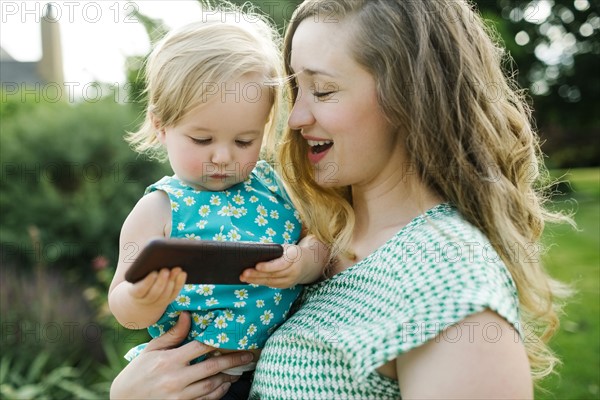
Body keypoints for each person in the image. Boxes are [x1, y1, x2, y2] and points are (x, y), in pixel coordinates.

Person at [111, 0, 571, 398]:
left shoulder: (446, 276)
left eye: (323, 90)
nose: (294, 118)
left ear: (408, 97)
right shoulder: (321, 228)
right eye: (295, 91)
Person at [108, 9, 326, 400]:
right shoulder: (160, 208)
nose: (223, 157)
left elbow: (322, 240)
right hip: (191, 379)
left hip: (273, 371)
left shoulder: (277, 186)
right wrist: (141, 300)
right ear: (161, 126)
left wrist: (303, 261)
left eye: (244, 141)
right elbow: (122, 303)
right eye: (202, 140)